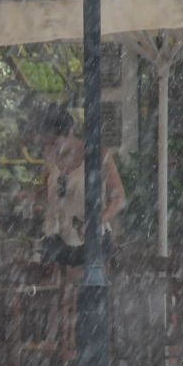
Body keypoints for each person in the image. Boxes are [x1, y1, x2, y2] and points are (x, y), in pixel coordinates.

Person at [34, 103, 126, 267]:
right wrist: (32, 194)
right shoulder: (51, 158)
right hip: (55, 238)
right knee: (54, 287)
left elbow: (118, 198)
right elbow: (44, 189)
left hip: (88, 241)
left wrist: (95, 223)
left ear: (69, 133)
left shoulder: (98, 154)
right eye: (45, 144)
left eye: (54, 143)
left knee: (85, 286)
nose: (49, 149)